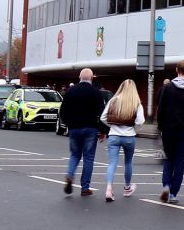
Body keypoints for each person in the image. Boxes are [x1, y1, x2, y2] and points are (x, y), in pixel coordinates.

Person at [157, 60, 184, 204]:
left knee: (169, 158)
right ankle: (174, 193)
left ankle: (166, 185)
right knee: (180, 161)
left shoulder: (168, 87)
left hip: (168, 128)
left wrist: (160, 126)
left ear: (176, 70)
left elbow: (161, 108)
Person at [59, 68, 106, 196]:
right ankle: (85, 187)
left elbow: (62, 111)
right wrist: (103, 131)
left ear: (79, 77)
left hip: (74, 128)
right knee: (89, 158)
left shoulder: (70, 91)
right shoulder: (96, 92)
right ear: (91, 78)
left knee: (75, 155)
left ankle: (70, 174)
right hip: (90, 128)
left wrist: (69, 124)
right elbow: (102, 113)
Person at [100, 80, 145, 202]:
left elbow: (103, 117)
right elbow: (140, 122)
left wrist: (112, 127)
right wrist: (133, 129)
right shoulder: (136, 103)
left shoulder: (113, 100)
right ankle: (127, 188)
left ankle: (109, 189)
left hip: (114, 136)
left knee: (112, 163)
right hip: (129, 136)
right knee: (128, 162)